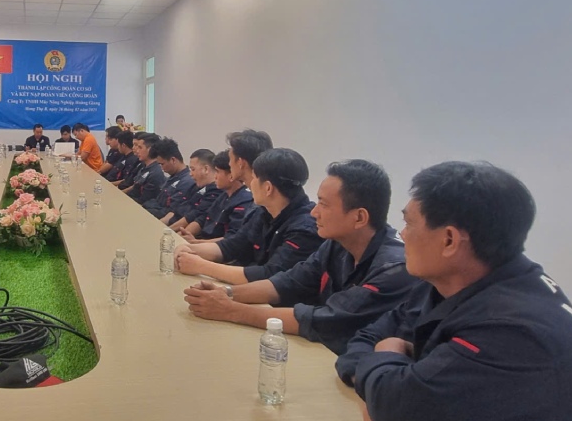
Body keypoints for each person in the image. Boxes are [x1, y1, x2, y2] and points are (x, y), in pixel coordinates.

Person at [335, 162, 572, 421]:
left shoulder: (514, 327)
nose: (401, 235)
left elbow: (399, 417)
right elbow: (363, 341)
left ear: (449, 240)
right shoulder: (451, 282)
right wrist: (383, 391)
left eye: (410, 223)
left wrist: (387, 354)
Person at [182, 160, 420, 356]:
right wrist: (226, 294)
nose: (314, 212)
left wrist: (231, 310)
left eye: (324, 205)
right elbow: (288, 281)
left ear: (359, 218)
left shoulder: (393, 269)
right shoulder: (335, 244)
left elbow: (327, 320)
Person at [175, 148, 322, 285]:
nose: (249, 184)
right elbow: (233, 246)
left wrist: (201, 266)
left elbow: (271, 275)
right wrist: (189, 250)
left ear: (268, 188)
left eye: (253, 178)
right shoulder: (263, 212)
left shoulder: (304, 227)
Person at [177, 150, 255, 242]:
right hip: (203, 242)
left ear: (231, 176)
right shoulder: (224, 195)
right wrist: (183, 235)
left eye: (217, 172)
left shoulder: (243, 201)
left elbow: (231, 239)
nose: (215, 176)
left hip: (216, 249)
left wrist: (196, 243)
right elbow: (203, 219)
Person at [165, 149, 223, 229]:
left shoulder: (216, 191)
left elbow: (193, 217)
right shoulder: (196, 186)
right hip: (172, 225)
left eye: (193, 169)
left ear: (206, 169)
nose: (190, 174)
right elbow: (176, 210)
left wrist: (168, 231)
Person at [142, 138, 196, 219]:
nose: (161, 168)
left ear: (173, 160)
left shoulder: (187, 182)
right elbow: (157, 200)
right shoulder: (172, 177)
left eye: (162, 164)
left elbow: (170, 211)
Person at [126, 132, 165, 204]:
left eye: (140, 147)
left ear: (150, 149)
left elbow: (143, 201)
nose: (137, 151)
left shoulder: (155, 173)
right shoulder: (144, 167)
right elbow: (134, 187)